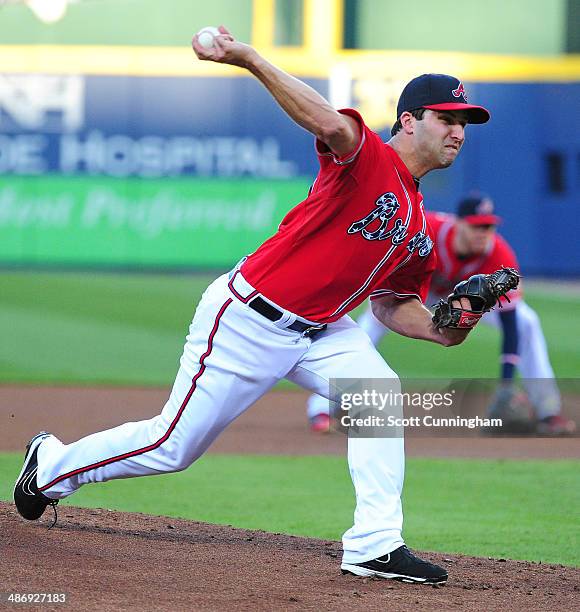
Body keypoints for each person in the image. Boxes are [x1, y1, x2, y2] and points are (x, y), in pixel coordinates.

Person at [14, 26, 492, 586]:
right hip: (250, 317)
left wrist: (447, 327)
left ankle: (375, 545)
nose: (458, 130)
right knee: (173, 446)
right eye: (447, 118)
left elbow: (393, 306)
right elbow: (329, 122)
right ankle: (51, 466)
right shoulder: (368, 161)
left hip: (323, 330)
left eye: (464, 122)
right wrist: (246, 57)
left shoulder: (418, 223)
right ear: (409, 120)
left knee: (378, 400)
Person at [307, 195, 576, 436]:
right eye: (476, 225)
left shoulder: (498, 252)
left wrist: (506, 381)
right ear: (458, 223)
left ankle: (547, 411)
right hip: (418, 291)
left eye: (489, 226)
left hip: (464, 300)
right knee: (368, 327)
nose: (484, 233)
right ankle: (322, 407)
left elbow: (509, 320)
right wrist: (386, 299)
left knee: (527, 320)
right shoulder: (429, 229)